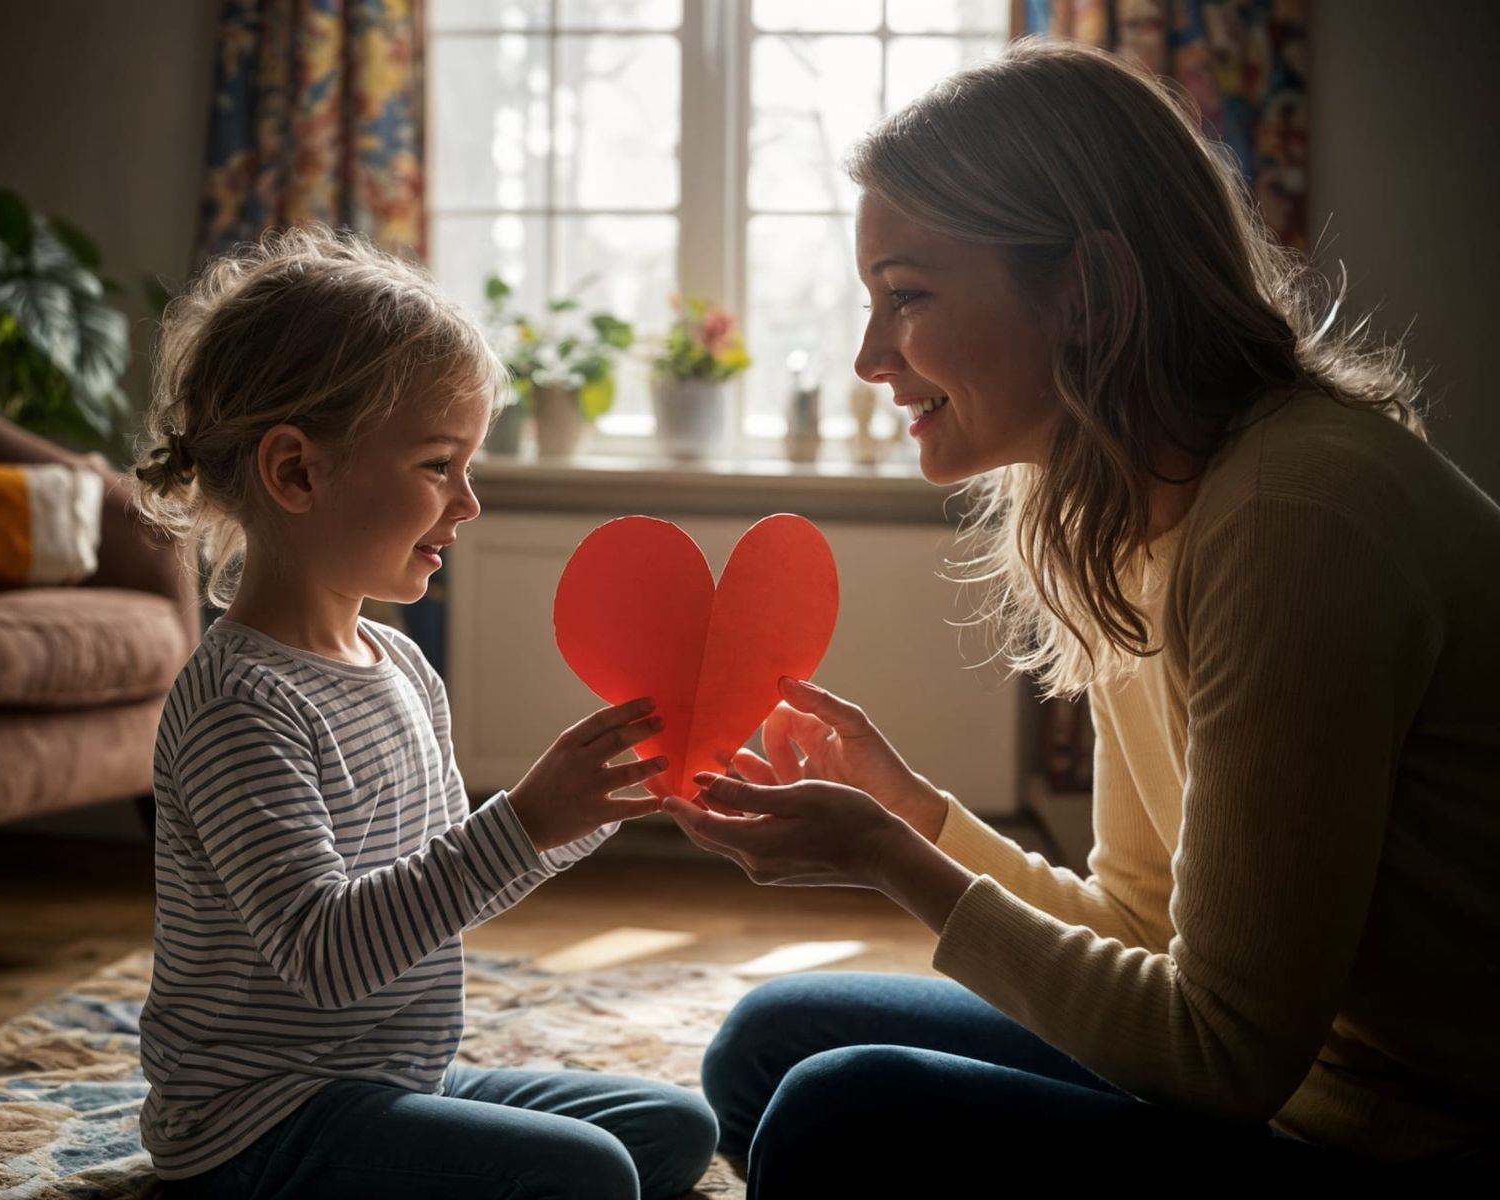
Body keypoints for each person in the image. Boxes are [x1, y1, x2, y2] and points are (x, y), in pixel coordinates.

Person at [664, 39, 1500, 1191]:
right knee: (769, 1041)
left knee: (833, 1118)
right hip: (1282, 1088)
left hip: (1408, 1138)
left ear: (1090, 293)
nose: (868, 358)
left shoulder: (1292, 521)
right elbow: (1141, 929)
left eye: (906, 296)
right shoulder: (1134, 505)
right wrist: (911, 817)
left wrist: (891, 863)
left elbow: (1222, 1054)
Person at [131, 226, 717, 1199]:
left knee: (670, 1128)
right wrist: (524, 820)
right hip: (258, 1120)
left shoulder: (398, 663)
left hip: (393, 1075)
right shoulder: (240, 702)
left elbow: (439, 886)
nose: (469, 504)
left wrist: (580, 814)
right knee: (590, 1176)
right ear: (297, 472)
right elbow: (325, 953)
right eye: (438, 465)